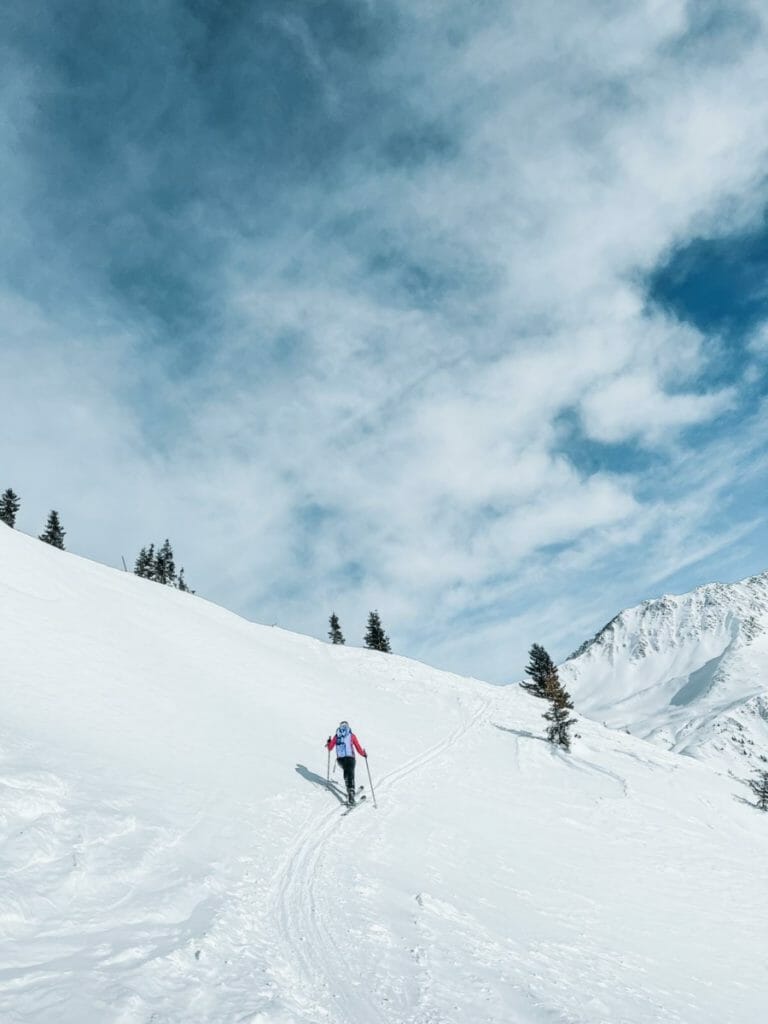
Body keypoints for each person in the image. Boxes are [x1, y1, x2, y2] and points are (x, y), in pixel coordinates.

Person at [326, 721, 367, 804]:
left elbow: (330, 748)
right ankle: (351, 792)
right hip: (350, 758)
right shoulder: (351, 736)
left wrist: (329, 742)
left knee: (346, 773)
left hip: (340, 760)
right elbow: (358, 747)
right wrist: (364, 754)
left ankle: (350, 790)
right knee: (350, 773)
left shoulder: (337, 736)